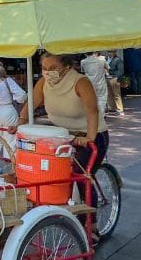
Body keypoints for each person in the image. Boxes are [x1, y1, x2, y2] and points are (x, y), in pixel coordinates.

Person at [16, 53, 108, 211]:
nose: (47, 72)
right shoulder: (44, 83)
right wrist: (19, 124)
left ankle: (90, 224)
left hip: (89, 134)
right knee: (50, 172)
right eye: (44, 68)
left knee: (81, 175)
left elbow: (92, 111)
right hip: (62, 136)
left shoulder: (80, 82)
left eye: (53, 68)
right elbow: (31, 104)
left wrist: (89, 137)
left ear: (66, 67)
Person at [80, 52, 108, 116]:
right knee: (102, 98)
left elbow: (83, 71)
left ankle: (92, 114)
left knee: (91, 99)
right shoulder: (102, 60)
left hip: (89, 83)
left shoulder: (83, 62)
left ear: (85, 54)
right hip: (101, 82)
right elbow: (107, 68)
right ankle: (101, 115)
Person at [105, 51, 125, 116]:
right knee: (109, 94)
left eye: (111, 52)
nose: (109, 53)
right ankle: (111, 108)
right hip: (107, 78)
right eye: (108, 52)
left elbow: (121, 70)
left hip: (113, 78)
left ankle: (120, 109)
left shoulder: (118, 60)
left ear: (114, 53)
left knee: (116, 94)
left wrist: (116, 77)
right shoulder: (106, 59)